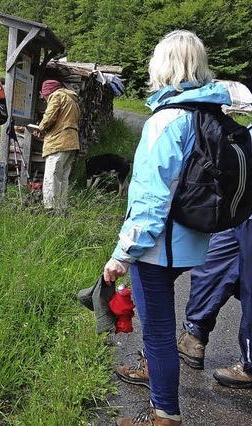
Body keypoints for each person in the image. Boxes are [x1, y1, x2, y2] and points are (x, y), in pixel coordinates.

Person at [102, 30, 235, 425]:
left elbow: (150, 201)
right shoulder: (211, 114)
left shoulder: (166, 121)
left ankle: (165, 415)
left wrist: (122, 254)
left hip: (160, 246)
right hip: (196, 238)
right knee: (158, 321)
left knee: (158, 331)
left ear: (163, 66)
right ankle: (151, 372)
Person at [116, 215, 252, 391]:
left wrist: (122, 254)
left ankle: (250, 363)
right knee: (214, 262)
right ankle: (194, 335)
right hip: (243, 208)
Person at [32, 79, 80, 212]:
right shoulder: (72, 99)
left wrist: (40, 128)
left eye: (44, 95)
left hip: (58, 143)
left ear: (48, 92)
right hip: (71, 142)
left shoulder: (57, 95)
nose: (45, 98)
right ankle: (61, 207)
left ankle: (50, 209)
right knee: (63, 178)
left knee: (51, 177)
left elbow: (50, 115)